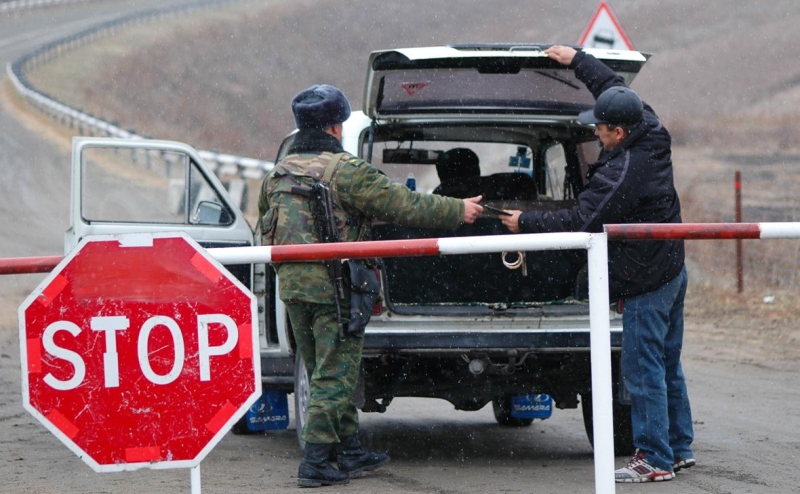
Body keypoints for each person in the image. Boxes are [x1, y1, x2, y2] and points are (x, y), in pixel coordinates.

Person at [258, 84, 483, 487]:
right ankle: (315, 461)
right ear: (335, 128)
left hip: (293, 288)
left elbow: (265, 224)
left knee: (321, 367)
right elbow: (405, 205)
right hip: (335, 287)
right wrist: (459, 209)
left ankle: (349, 449)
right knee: (337, 374)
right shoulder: (345, 171)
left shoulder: (277, 174)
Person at [500, 45, 694, 483]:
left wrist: (523, 221)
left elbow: (580, 219)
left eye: (600, 129)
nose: (596, 134)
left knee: (642, 372)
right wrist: (578, 58)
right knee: (666, 363)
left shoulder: (622, 171)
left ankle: (655, 460)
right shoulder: (651, 126)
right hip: (670, 270)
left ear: (619, 133)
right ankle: (679, 448)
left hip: (645, 279)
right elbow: (614, 87)